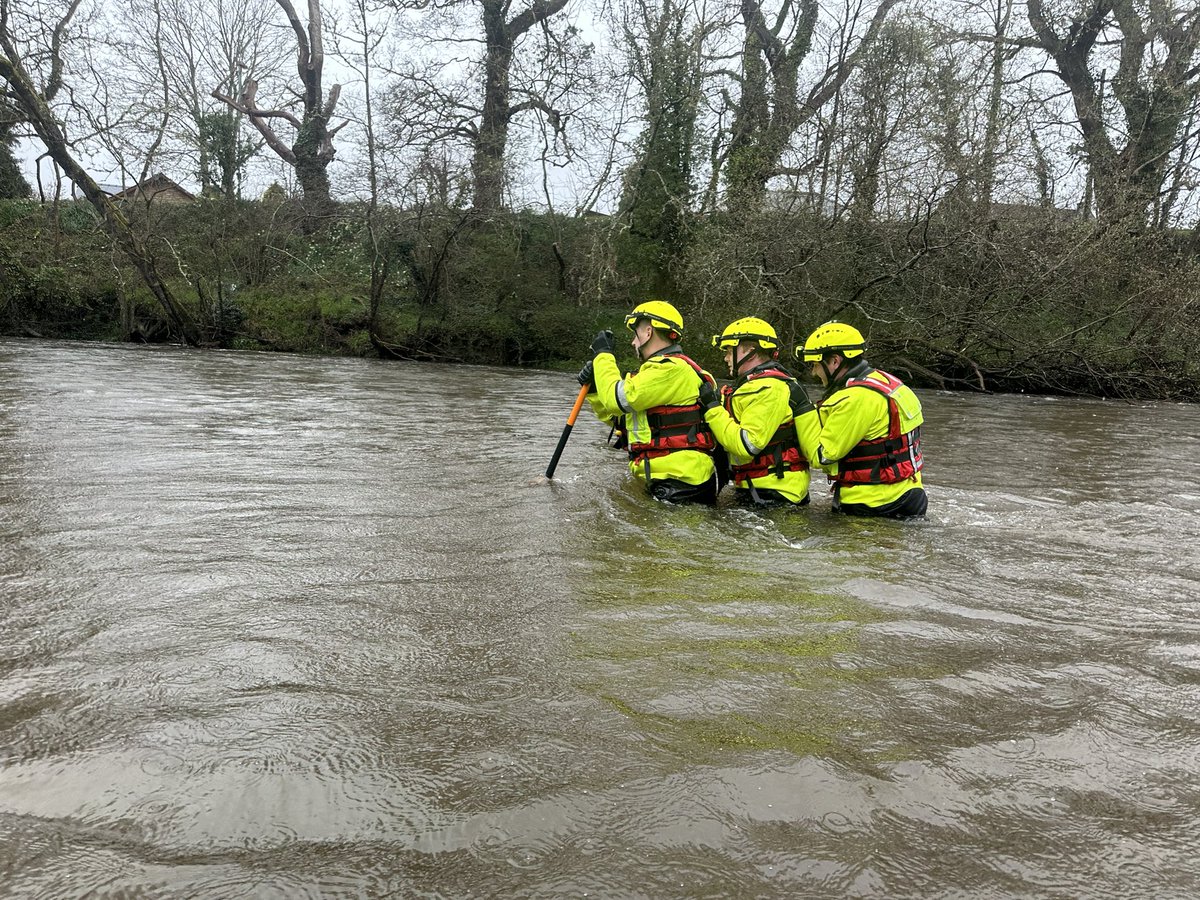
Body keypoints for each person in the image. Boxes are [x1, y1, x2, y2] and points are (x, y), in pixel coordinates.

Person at [577, 301, 719, 504]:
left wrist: (603, 356)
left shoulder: (670, 370)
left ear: (648, 332)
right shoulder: (660, 373)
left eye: (636, 335)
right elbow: (624, 420)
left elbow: (616, 400)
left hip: (680, 484)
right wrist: (594, 391)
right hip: (673, 480)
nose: (633, 342)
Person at [796, 321, 927, 518]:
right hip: (911, 494)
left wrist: (801, 410)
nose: (814, 372)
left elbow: (821, 456)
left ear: (834, 361)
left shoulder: (855, 399)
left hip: (872, 504)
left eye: (815, 364)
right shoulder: (888, 382)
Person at [696, 317, 821, 507]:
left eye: (730, 351)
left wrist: (712, 408)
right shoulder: (757, 385)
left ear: (750, 352)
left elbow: (747, 446)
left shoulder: (769, 388)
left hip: (775, 494)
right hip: (761, 489)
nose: (726, 358)